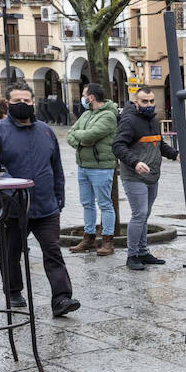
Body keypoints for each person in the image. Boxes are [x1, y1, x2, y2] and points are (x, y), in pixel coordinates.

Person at [0, 83, 80, 317]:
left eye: (27, 101)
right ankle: (13, 290)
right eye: (17, 101)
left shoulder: (46, 131)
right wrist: (13, 192)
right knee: (11, 251)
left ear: (33, 102)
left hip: (45, 205)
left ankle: (62, 298)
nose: (23, 105)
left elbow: (56, 166)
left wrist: (59, 195)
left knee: (52, 250)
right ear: (8, 103)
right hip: (12, 207)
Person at [113, 86, 179, 269]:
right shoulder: (128, 121)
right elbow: (118, 146)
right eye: (144, 101)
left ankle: (142, 252)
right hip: (134, 176)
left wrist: (175, 154)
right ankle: (132, 255)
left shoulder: (154, 120)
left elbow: (159, 144)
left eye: (151, 101)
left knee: (145, 215)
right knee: (139, 214)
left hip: (152, 176)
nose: (149, 104)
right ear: (136, 102)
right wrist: (135, 163)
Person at [66, 83, 119, 256]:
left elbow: (90, 135)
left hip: (101, 167)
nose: (82, 98)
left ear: (91, 97)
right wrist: (81, 141)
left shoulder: (109, 116)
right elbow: (70, 134)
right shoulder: (87, 114)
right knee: (87, 203)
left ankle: (107, 240)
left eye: (83, 94)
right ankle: (88, 238)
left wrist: (82, 137)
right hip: (83, 166)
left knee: (104, 204)